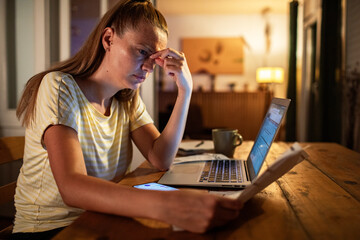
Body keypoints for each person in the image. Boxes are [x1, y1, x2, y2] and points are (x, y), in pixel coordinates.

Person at [12, 0, 243, 238]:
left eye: (154, 59)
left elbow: (160, 158)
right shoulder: (60, 87)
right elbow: (72, 187)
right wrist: (168, 205)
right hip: (49, 229)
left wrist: (185, 90)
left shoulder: (127, 99)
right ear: (108, 39)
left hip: (101, 218)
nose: (148, 68)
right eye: (142, 51)